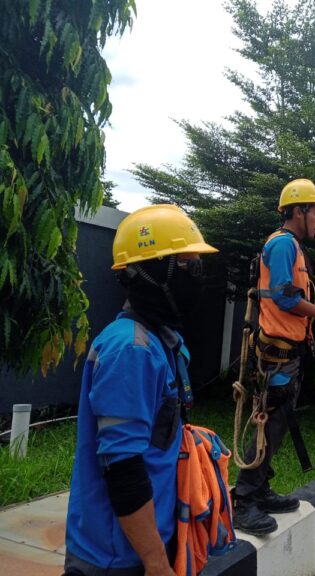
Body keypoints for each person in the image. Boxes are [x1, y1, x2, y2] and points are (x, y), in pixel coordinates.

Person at [64, 205, 218, 576]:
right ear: (152, 273)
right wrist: (155, 562)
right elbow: (123, 467)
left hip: (148, 542)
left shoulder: (164, 341)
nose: (197, 277)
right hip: (118, 557)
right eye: (188, 266)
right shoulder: (131, 350)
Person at [233, 178, 315, 536]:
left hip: (285, 354)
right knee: (269, 423)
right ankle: (243, 499)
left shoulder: (291, 246)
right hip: (276, 356)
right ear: (298, 211)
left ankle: (259, 488)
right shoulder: (283, 244)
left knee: (276, 424)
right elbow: (283, 297)